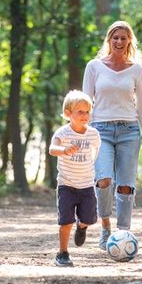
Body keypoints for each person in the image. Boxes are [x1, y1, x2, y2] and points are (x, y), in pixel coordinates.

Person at [82, 21, 142, 249]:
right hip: (100, 130)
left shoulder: (136, 70)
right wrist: (81, 134)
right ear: (108, 40)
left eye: (124, 38)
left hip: (129, 131)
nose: (119, 42)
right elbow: (84, 102)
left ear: (129, 41)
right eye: (115, 38)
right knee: (104, 181)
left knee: (125, 185)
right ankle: (105, 228)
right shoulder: (94, 66)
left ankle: (123, 234)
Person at [48, 90, 101, 267]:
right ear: (68, 114)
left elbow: (96, 154)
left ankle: (82, 226)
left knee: (89, 218)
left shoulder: (93, 134)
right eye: (80, 112)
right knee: (65, 222)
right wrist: (63, 150)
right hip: (66, 185)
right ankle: (63, 253)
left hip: (86, 186)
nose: (85, 115)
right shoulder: (62, 133)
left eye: (87, 112)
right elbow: (52, 149)